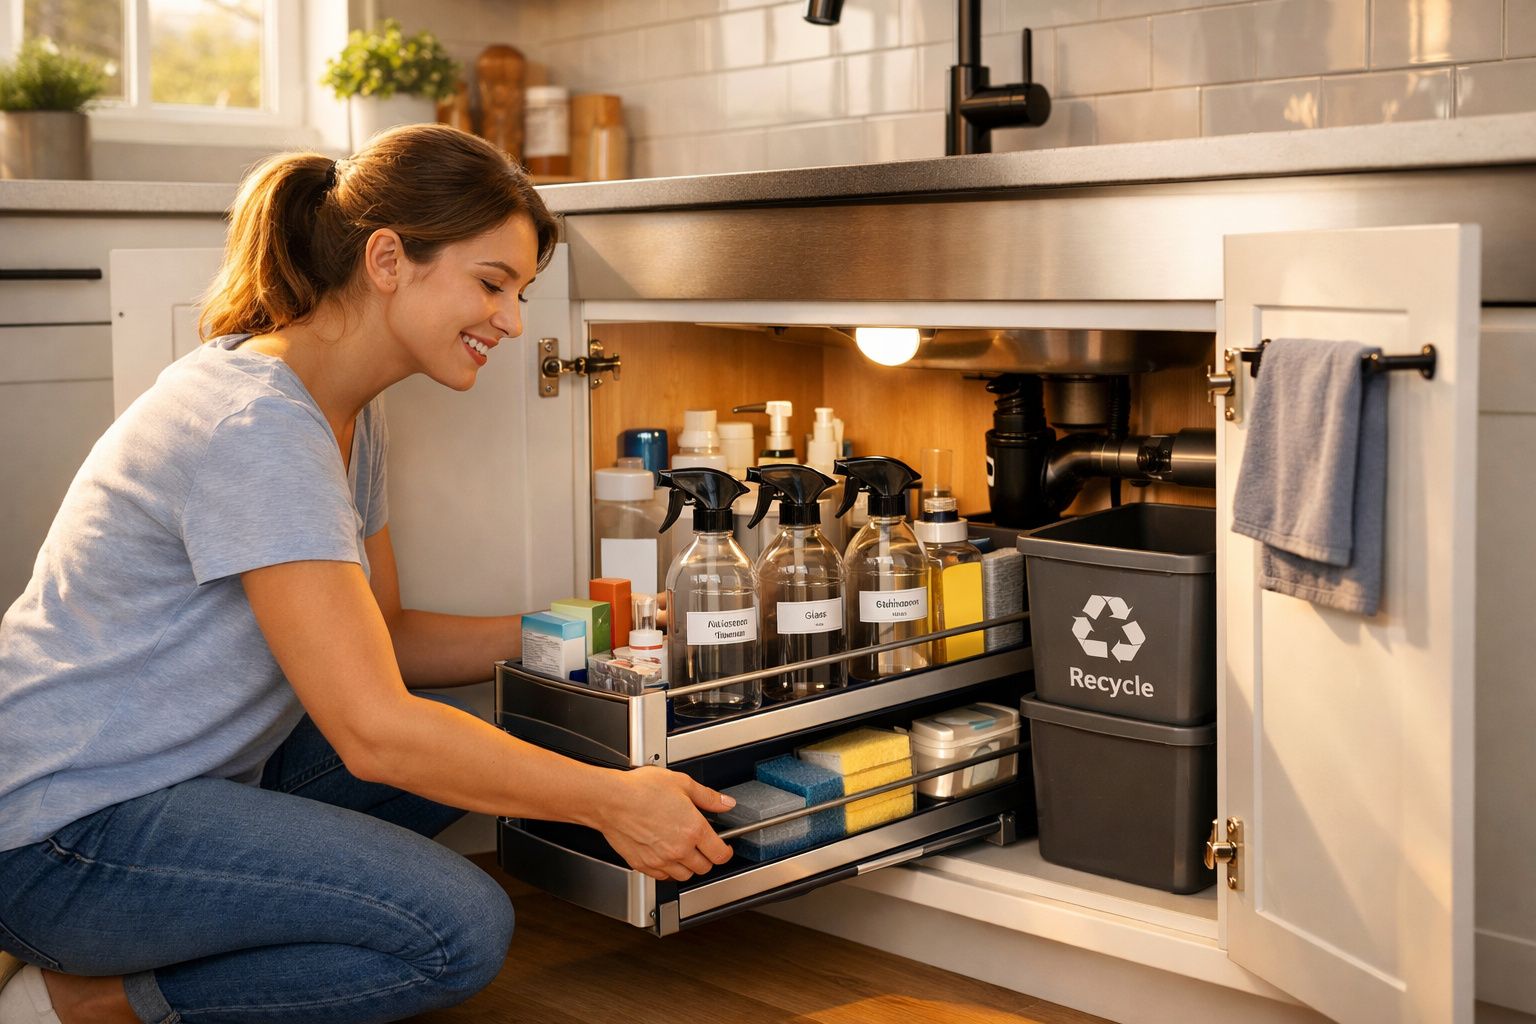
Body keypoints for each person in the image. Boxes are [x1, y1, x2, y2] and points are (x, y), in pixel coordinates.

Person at [0, 123, 735, 1024]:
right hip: (63, 836)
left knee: (493, 720)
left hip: (196, 780)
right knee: (456, 928)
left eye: (522, 293)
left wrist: (600, 628)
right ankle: (81, 1001)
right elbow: (374, 734)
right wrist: (615, 802)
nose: (512, 320)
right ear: (388, 258)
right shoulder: (257, 429)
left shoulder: (341, 413)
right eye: (492, 284)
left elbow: (384, 640)